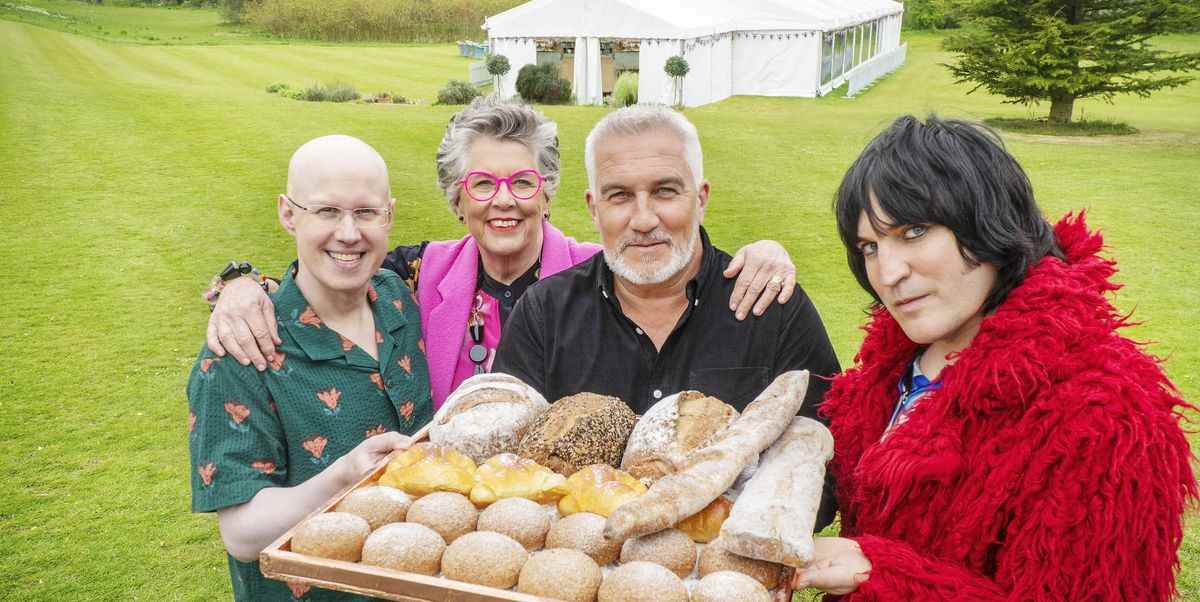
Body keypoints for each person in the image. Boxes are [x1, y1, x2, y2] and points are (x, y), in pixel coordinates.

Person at [791, 116, 1197, 600]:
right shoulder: (888, 372)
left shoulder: (1105, 419)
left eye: (915, 231)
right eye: (870, 246)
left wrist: (885, 575)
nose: (888, 272)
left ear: (988, 223)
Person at [208, 98, 802, 407]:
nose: (504, 202)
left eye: (522, 182)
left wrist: (766, 252)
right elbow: (333, 265)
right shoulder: (418, 272)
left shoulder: (601, 275)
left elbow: (666, 250)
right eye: (482, 184)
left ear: (547, 192)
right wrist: (241, 284)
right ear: (456, 198)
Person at [492, 105, 842, 529]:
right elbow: (506, 472)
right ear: (593, 208)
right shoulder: (544, 313)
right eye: (619, 195)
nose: (643, 220)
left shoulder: (771, 308)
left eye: (665, 191)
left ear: (702, 198)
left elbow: (823, 480)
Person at [188, 135, 427, 601]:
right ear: (287, 213)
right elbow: (242, 535)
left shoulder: (398, 295)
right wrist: (343, 477)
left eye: (366, 212)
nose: (349, 233)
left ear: (389, 215)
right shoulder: (239, 351)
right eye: (326, 211)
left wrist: (239, 280)